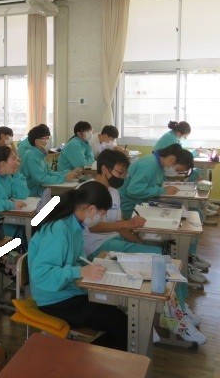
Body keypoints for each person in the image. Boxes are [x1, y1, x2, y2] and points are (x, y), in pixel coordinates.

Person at [86, 149, 205, 344]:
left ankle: (179, 309)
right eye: (120, 172)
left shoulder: (114, 192)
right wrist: (127, 225)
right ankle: (174, 317)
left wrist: (138, 241)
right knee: (159, 259)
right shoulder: (89, 190)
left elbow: (119, 225)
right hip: (96, 246)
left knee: (162, 255)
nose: (123, 178)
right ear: (105, 169)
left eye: (125, 173)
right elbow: (93, 227)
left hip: (112, 239)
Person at [28, 180, 128, 350]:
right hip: (54, 299)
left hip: (68, 291)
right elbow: (41, 275)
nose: (102, 218)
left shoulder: (75, 225)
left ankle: (91, 357)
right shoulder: (59, 229)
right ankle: (83, 358)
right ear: (91, 209)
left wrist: (91, 268)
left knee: (120, 315)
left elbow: (76, 258)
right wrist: (80, 271)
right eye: (102, 214)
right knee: (123, 325)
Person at [118, 143, 209, 282]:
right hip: (132, 207)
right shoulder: (149, 164)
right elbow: (133, 190)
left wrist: (163, 190)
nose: (176, 172)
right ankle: (181, 260)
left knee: (191, 215)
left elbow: (153, 186)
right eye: (178, 169)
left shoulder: (158, 166)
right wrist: (162, 191)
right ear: (172, 160)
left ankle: (188, 257)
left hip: (144, 202)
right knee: (178, 223)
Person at [20, 125, 79, 198]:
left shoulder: (39, 154)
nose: (49, 141)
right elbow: (41, 179)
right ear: (37, 141)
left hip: (40, 189)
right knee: (65, 197)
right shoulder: (30, 155)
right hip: (31, 193)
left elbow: (49, 172)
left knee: (67, 195)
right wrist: (64, 178)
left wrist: (68, 173)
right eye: (46, 138)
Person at [154, 120, 206, 187]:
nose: (184, 138)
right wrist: (195, 152)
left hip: (162, 163)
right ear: (179, 133)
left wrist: (194, 152)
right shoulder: (172, 139)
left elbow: (180, 153)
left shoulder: (171, 135)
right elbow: (181, 156)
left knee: (195, 171)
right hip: (163, 165)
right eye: (184, 137)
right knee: (195, 173)